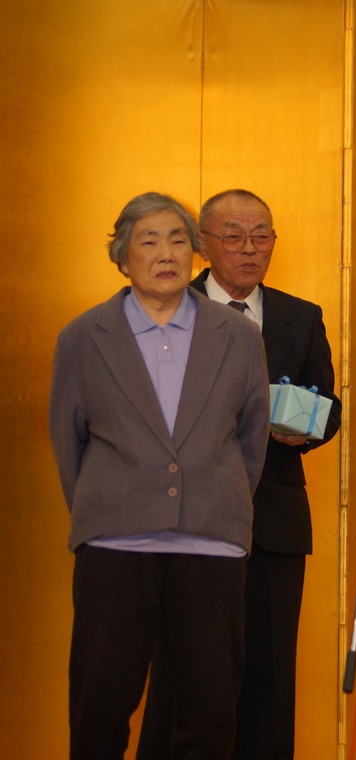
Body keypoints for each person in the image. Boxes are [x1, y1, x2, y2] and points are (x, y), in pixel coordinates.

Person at [48, 192, 270, 758]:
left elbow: (251, 438)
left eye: (178, 239)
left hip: (211, 544)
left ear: (196, 253)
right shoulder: (81, 337)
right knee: (99, 709)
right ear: (122, 257)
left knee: (208, 714)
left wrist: (218, 504)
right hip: (114, 544)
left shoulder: (239, 337)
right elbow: (69, 440)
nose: (166, 253)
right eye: (148, 240)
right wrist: (111, 506)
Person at [139, 189, 342, 759]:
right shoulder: (164, 305)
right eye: (233, 235)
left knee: (269, 679)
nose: (249, 249)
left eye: (262, 236)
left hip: (271, 521)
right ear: (203, 242)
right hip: (183, 519)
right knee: (181, 673)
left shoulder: (301, 317)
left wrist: (305, 427)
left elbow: (330, 408)